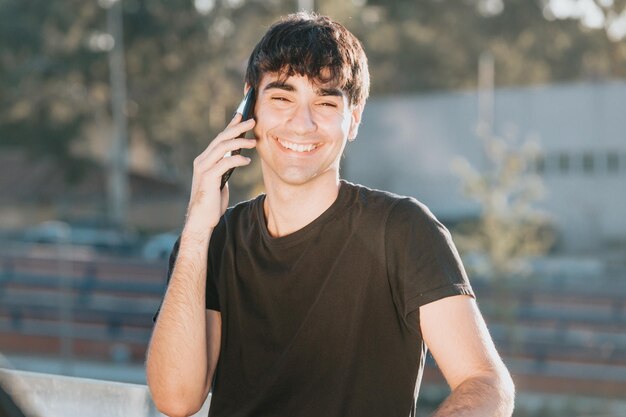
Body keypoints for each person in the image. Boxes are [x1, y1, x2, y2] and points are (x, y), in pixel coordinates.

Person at [146, 12, 514, 417]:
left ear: (353, 118)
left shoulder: (403, 230)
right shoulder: (212, 241)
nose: (301, 124)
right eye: (282, 98)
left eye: (324, 102)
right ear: (250, 105)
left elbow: (486, 384)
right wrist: (197, 229)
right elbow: (175, 399)